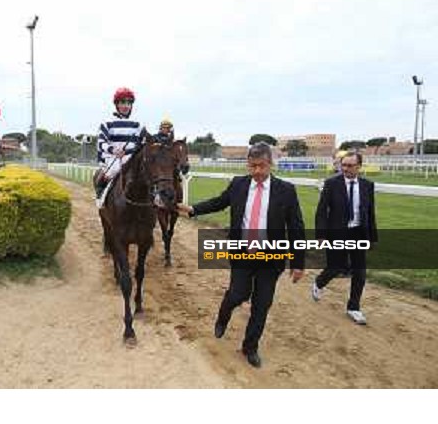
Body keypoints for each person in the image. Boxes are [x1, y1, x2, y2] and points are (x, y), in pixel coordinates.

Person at [177, 142, 305, 368]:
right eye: (252, 166)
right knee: (238, 295)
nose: (256, 171)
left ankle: (250, 347)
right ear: (247, 164)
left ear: (270, 164)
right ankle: (223, 314)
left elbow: (296, 227)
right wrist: (194, 209)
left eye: (261, 166)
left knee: (262, 304)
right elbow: (219, 202)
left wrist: (298, 262)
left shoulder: (286, 190)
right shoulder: (238, 184)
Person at [312, 150, 378, 325]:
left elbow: (370, 213)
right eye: (344, 165)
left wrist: (372, 237)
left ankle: (353, 308)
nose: (346, 168)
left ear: (359, 166)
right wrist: (320, 235)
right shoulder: (331, 183)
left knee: (360, 273)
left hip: (358, 233)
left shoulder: (367, 186)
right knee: (336, 268)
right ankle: (319, 282)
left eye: (350, 165)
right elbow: (321, 211)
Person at [94, 87, 146, 198]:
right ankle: (101, 197)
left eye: (129, 103)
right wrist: (113, 150)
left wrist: (129, 151)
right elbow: (101, 142)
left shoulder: (138, 124)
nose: (126, 106)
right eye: (123, 102)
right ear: (117, 104)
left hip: (131, 158)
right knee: (113, 172)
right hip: (113, 157)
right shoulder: (107, 123)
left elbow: (142, 144)